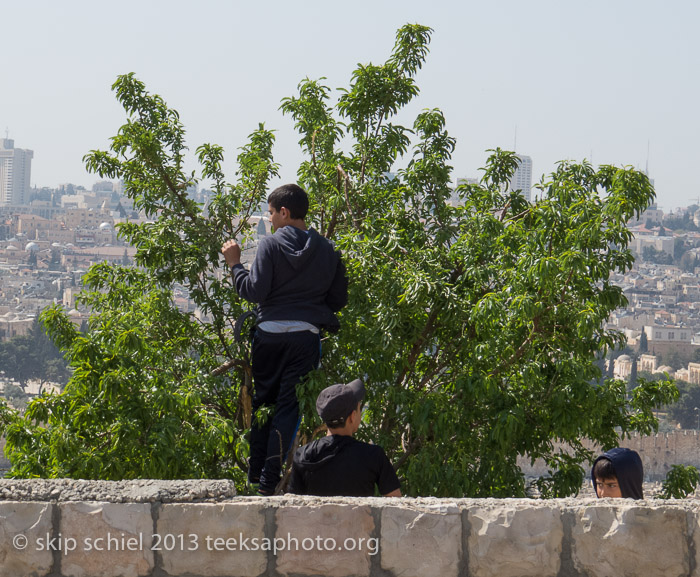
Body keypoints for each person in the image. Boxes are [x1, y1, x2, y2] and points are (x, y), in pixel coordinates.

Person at [221, 183, 348, 496]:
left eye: (271, 212)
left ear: (284, 212)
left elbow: (254, 292)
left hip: (269, 337)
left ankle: (256, 475)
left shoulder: (271, 244)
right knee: (288, 407)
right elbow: (338, 298)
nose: (269, 218)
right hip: (306, 338)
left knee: (264, 402)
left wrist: (235, 264)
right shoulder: (328, 249)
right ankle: (269, 478)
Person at [287, 379, 401, 497]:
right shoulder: (373, 455)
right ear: (352, 416)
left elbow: (293, 502)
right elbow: (395, 501)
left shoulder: (303, 455)